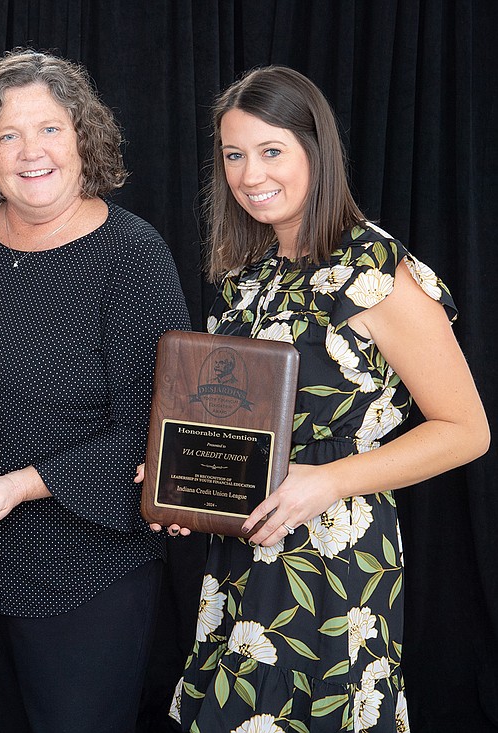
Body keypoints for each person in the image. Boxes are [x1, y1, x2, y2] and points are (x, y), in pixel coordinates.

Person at [160, 66, 489, 732]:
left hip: (335, 560)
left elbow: (466, 429)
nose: (250, 173)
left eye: (271, 150)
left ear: (317, 149)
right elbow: (236, 427)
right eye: (234, 154)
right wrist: (183, 485)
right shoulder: (251, 275)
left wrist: (326, 481)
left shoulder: (377, 272)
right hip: (247, 550)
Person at [0, 49, 191, 732]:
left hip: (87, 573)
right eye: (7, 134)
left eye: (49, 129)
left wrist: (15, 485)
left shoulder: (133, 255)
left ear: (83, 139)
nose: (29, 151)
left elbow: (148, 429)